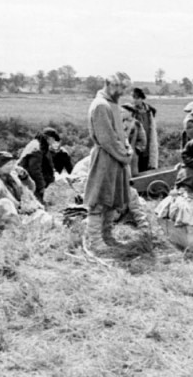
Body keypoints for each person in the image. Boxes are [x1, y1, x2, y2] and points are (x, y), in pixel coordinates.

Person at [84, 71, 133, 253]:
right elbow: (108, 139)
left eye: (124, 88)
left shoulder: (111, 104)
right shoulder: (101, 106)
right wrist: (124, 154)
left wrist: (127, 147)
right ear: (109, 84)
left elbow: (120, 134)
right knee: (99, 200)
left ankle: (107, 235)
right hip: (106, 157)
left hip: (116, 158)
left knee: (112, 199)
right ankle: (95, 241)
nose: (121, 92)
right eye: (119, 87)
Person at [17, 127, 60, 204]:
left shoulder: (36, 143)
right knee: (37, 204)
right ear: (49, 138)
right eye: (53, 139)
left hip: (29, 179)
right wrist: (41, 186)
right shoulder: (37, 149)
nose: (53, 142)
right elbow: (35, 170)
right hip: (30, 181)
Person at [131, 87, 159, 172]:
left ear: (142, 98)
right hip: (136, 143)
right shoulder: (131, 111)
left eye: (137, 98)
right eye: (134, 98)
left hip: (148, 142)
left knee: (147, 165)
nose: (135, 100)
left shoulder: (149, 110)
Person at [121, 103, 147, 177]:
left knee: (132, 173)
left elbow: (142, 139)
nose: (122, 114)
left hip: (133, 153)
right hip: (121, 152)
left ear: (130, 112)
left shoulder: (136, 124)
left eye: (124, 112)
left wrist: (137, 149)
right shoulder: (120, 123)